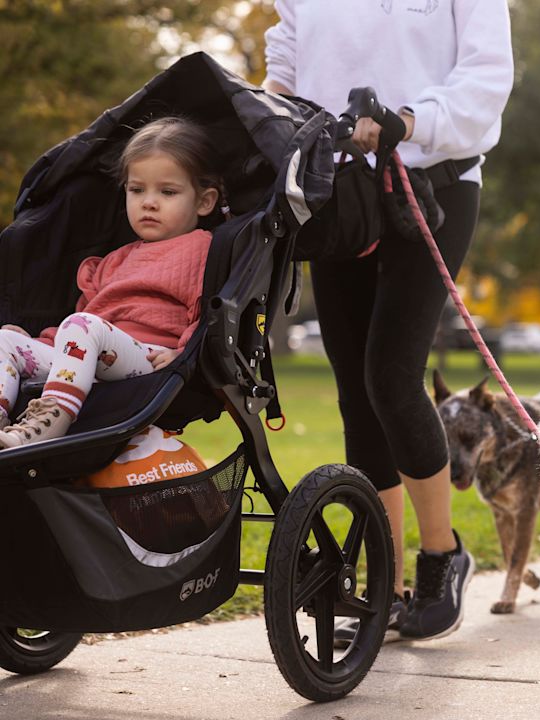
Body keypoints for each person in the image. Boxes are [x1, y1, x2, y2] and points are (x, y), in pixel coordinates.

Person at [263, 0, 514, 643]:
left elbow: (486, 80)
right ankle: (388, 582)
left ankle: (442, 556)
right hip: (335, 187)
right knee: (354, 387)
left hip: (430, 181)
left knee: (391, 375)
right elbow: (286, 63)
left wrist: (407, 120)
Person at [0, 117, 218, 449]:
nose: (149, 202)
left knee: (85, 325)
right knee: (5, 339)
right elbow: (85, 325)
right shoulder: (117, 258)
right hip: (93, 354)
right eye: (137, 190)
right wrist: (36, 340)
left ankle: (48, 421)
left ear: (204, 201)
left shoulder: (201, 249)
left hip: (149, 360)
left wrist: (186, 352)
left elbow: (208, 308)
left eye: (168, 191)